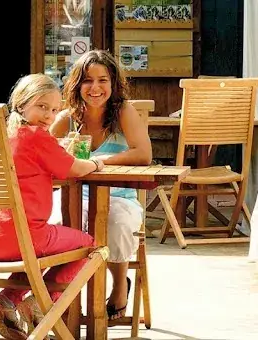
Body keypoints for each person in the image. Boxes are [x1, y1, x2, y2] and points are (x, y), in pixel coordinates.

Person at [0, 74, 102, 339]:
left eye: (54, 110)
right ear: (22, 105)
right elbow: (74, 168)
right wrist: (96, 163)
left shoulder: (2, 136)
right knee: (90, 245)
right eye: (42, 107)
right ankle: (41, 302)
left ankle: (7, 299)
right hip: (24, 240)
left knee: (43, 246)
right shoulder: (36, 137)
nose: (48, 116)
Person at [48, 50, 152, 321]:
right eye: (87, 80)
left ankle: (119, 285)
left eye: (102, 80)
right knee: (56, 222)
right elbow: (43, 152)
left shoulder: (123, 112)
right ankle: (62, 296)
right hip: (73, 195)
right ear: (77, 84)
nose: (95, 88)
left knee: (115, 221)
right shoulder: (67, 118)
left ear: (113, 83)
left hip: (119, 195)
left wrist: (99, 161)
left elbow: (143, 154)